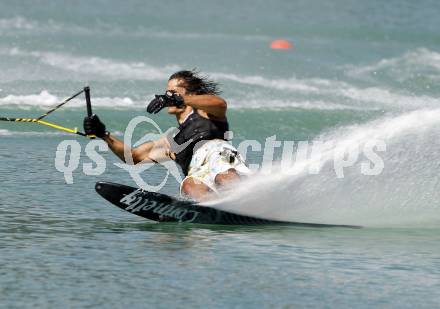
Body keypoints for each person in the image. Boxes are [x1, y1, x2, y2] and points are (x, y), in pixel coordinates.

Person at [84, 70, 250, 202]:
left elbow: (220, 104)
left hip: (219, 156)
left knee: (223, 177)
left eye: (173, 92)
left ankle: (247, 203)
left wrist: (180, 99)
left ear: (188, 94)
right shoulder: (171, 142)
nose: (167, 96)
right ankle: (217, 210)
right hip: (197, 171)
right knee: (189, 185)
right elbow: (133, 157)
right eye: (167, 93)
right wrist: (103, 134)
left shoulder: (205, 112)